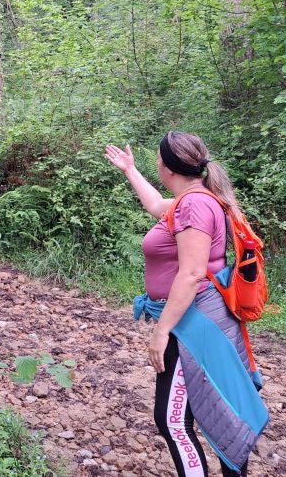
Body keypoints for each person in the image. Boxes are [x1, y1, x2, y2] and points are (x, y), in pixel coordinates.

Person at [105, 131, 267, 477]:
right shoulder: (192, 199)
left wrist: (162, 331)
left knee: (172, 420)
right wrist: (130, 170)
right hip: (203, 319)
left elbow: (192, 273)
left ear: (166, 167)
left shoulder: (194, 205)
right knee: (221, 411)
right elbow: (154, 205)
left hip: (193, 326)